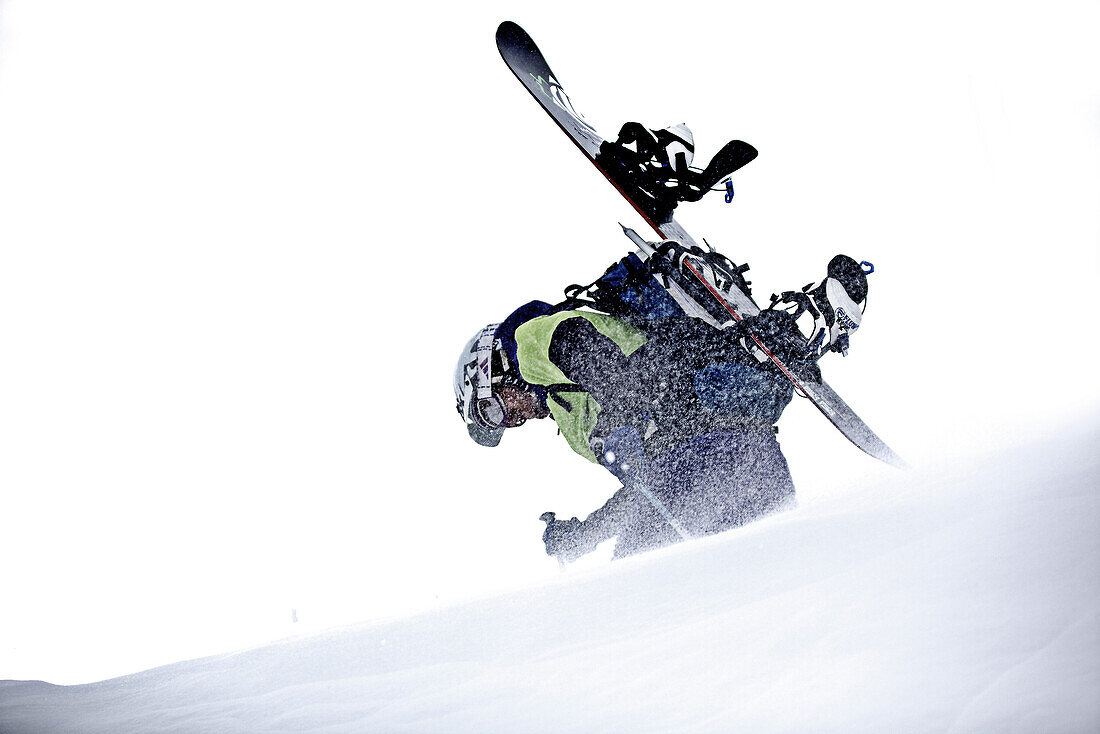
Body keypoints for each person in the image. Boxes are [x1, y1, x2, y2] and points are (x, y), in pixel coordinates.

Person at [453, 252, 870, 561]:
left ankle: (801, 322)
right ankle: (810, 327)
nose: (516, 419)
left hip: (699, 440)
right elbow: (645, 490)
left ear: (490, 369)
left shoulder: (525, 345)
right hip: (735, 459)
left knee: (638, 587)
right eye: (503, 423)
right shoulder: (566, 412)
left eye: (495, 409)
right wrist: (586, 535)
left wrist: (623, 411)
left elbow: (575, 342)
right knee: (744, 575)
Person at [594, 122, 758, 223]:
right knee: (651, 174)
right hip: (672, 173)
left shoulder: (671, 151)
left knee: (689, 189)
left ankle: (661, 207)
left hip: (682, 179)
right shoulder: (659, 146)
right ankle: (660, 206)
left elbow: (681, 175)